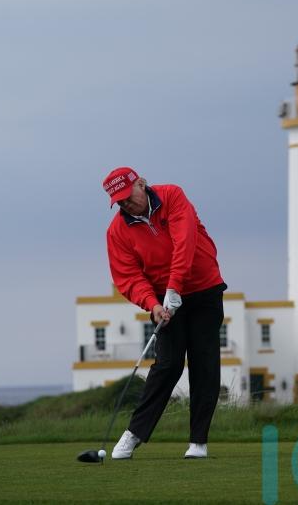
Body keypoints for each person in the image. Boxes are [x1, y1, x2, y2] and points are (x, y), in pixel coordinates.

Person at [102, 167, 227, 460]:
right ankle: (133, 434)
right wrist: (153, 304)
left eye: (127, 197)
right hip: (163, 299)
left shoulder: (173, 196)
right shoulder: (117, 231)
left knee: (204, 363)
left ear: (142, 184)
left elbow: (185, 242)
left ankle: (198, 442)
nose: (125, 204)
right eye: (118, 201)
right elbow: (128, 277)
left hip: (204, 288)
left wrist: (175, 287)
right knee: (167, 365)